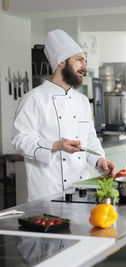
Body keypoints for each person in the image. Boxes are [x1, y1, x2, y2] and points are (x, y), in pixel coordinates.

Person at [12, 29, 117, 202]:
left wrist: (100, 161)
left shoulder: (82, 101)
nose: (84, 66)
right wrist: (56, 145)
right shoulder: (34, 98)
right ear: (61, 62)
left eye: (85, 61)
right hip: (47, 192)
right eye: (79, 60)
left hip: (80, 190)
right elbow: (20, 139)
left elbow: (90, 140)